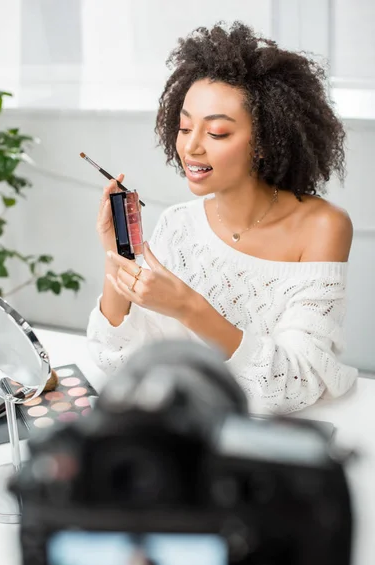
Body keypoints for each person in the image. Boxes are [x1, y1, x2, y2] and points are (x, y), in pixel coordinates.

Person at [87, 21, 358, 414]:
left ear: (264, 142)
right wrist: (118, 259)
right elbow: (116, 360)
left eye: (216, 133)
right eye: (183, 127)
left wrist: (188, 307)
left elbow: (296, 382)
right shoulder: (178, 225)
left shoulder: (322, 227)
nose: (191, 146)